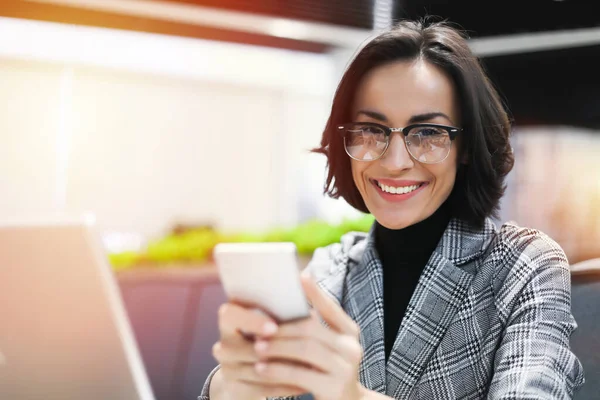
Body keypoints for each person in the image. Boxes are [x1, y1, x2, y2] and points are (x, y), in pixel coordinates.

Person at [200, 18, 585, 400]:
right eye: (371, 130)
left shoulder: (524, 265)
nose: (395, 161)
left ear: (466, 147)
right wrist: (234, 384)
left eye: (428, 133)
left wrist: (355, 397)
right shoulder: (328, 273)